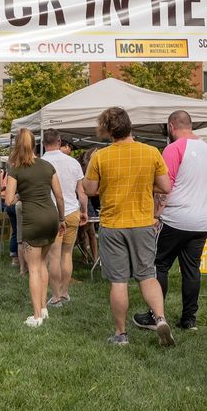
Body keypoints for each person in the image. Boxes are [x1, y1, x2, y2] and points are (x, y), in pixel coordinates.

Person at [83, 107, 175, 347]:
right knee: (147, 276)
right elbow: (165, 186)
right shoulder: (151, 152)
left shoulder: (100, 157)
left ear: (107, 131)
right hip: (143, 223)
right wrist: (145, 186)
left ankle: (121, 334)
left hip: (113, 225)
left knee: (119, 281)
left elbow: (90, 190)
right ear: (129, 126)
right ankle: (160, 318)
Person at [135, 111, 207, 333]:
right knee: (192, 270)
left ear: (171, 127)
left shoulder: (173, 148)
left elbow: (164, 187)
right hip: (202, 219)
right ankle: (189, 318)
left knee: (159, 265)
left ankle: (155, 315)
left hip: (176, 217)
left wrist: (155, 215)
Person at [5, 129, 65, 326]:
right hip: (52, 217)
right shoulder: (48, 166)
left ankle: (36, 317)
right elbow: (59, 196)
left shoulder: (16, 169)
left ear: (17, 146)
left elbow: (8, 201)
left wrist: (22, 194)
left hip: (33, 220)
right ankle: (44, 309)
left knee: (33, 268)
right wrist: (62, 219)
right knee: (43, 263)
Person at [41, 129, 87, 309]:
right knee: (67, 254)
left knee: (54, 255)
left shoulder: (41, 162)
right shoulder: (73, 162)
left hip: (51, 212)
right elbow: (81, 192)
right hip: (72, 210)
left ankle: (56, 296)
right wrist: (84, 211)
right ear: (59, 142)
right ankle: (65, 291)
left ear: (44, 143)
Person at [0, 168, 20, 268]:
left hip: (12, 202)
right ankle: (14, 256)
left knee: (15, 230)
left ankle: (15, 257)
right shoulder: (2, 174)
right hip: (2, 200)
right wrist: (5, 187)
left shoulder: (18, 173)